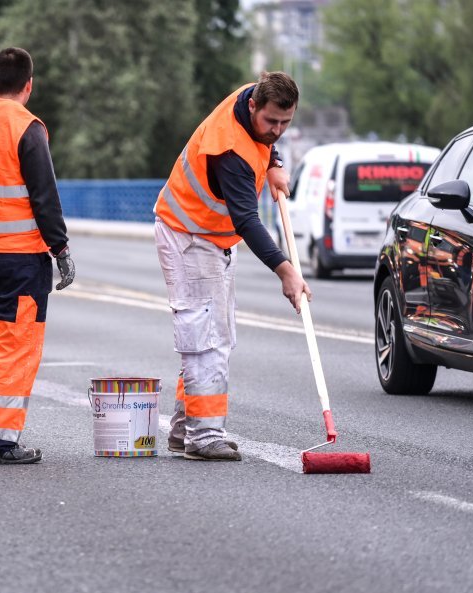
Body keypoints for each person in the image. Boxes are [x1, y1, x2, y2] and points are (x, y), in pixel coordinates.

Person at [153, 71, 311, 461]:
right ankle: (203, 436)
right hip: (190, 235)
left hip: (212, 237)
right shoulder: (230, 151)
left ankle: (181, 431)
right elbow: (247, 220)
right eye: (271, 122)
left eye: (285, 124)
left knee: (210, 334)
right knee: (206, 338)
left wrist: (273, 161)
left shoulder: (250, 96)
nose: (276, 130)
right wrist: (286, 269)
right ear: (254, 106)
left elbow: (263, 142)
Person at [0, 47, 75, 465]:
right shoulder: (28, 127)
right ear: (29, 85)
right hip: (19, 258)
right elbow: (44, 194)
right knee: (15, 346)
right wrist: (60, 248)